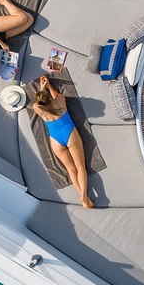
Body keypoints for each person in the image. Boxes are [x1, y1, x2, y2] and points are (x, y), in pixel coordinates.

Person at [33, 75, 94, 208]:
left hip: (56, 140)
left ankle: (84, 197)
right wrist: (48, 86)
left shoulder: (38, 109)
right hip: (69, 134)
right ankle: (83, 195)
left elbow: (39, 102)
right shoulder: (60, 101)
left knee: (71, 170)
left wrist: (42, 88)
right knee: (80, 166)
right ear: (49, 97)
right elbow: (57, 94)